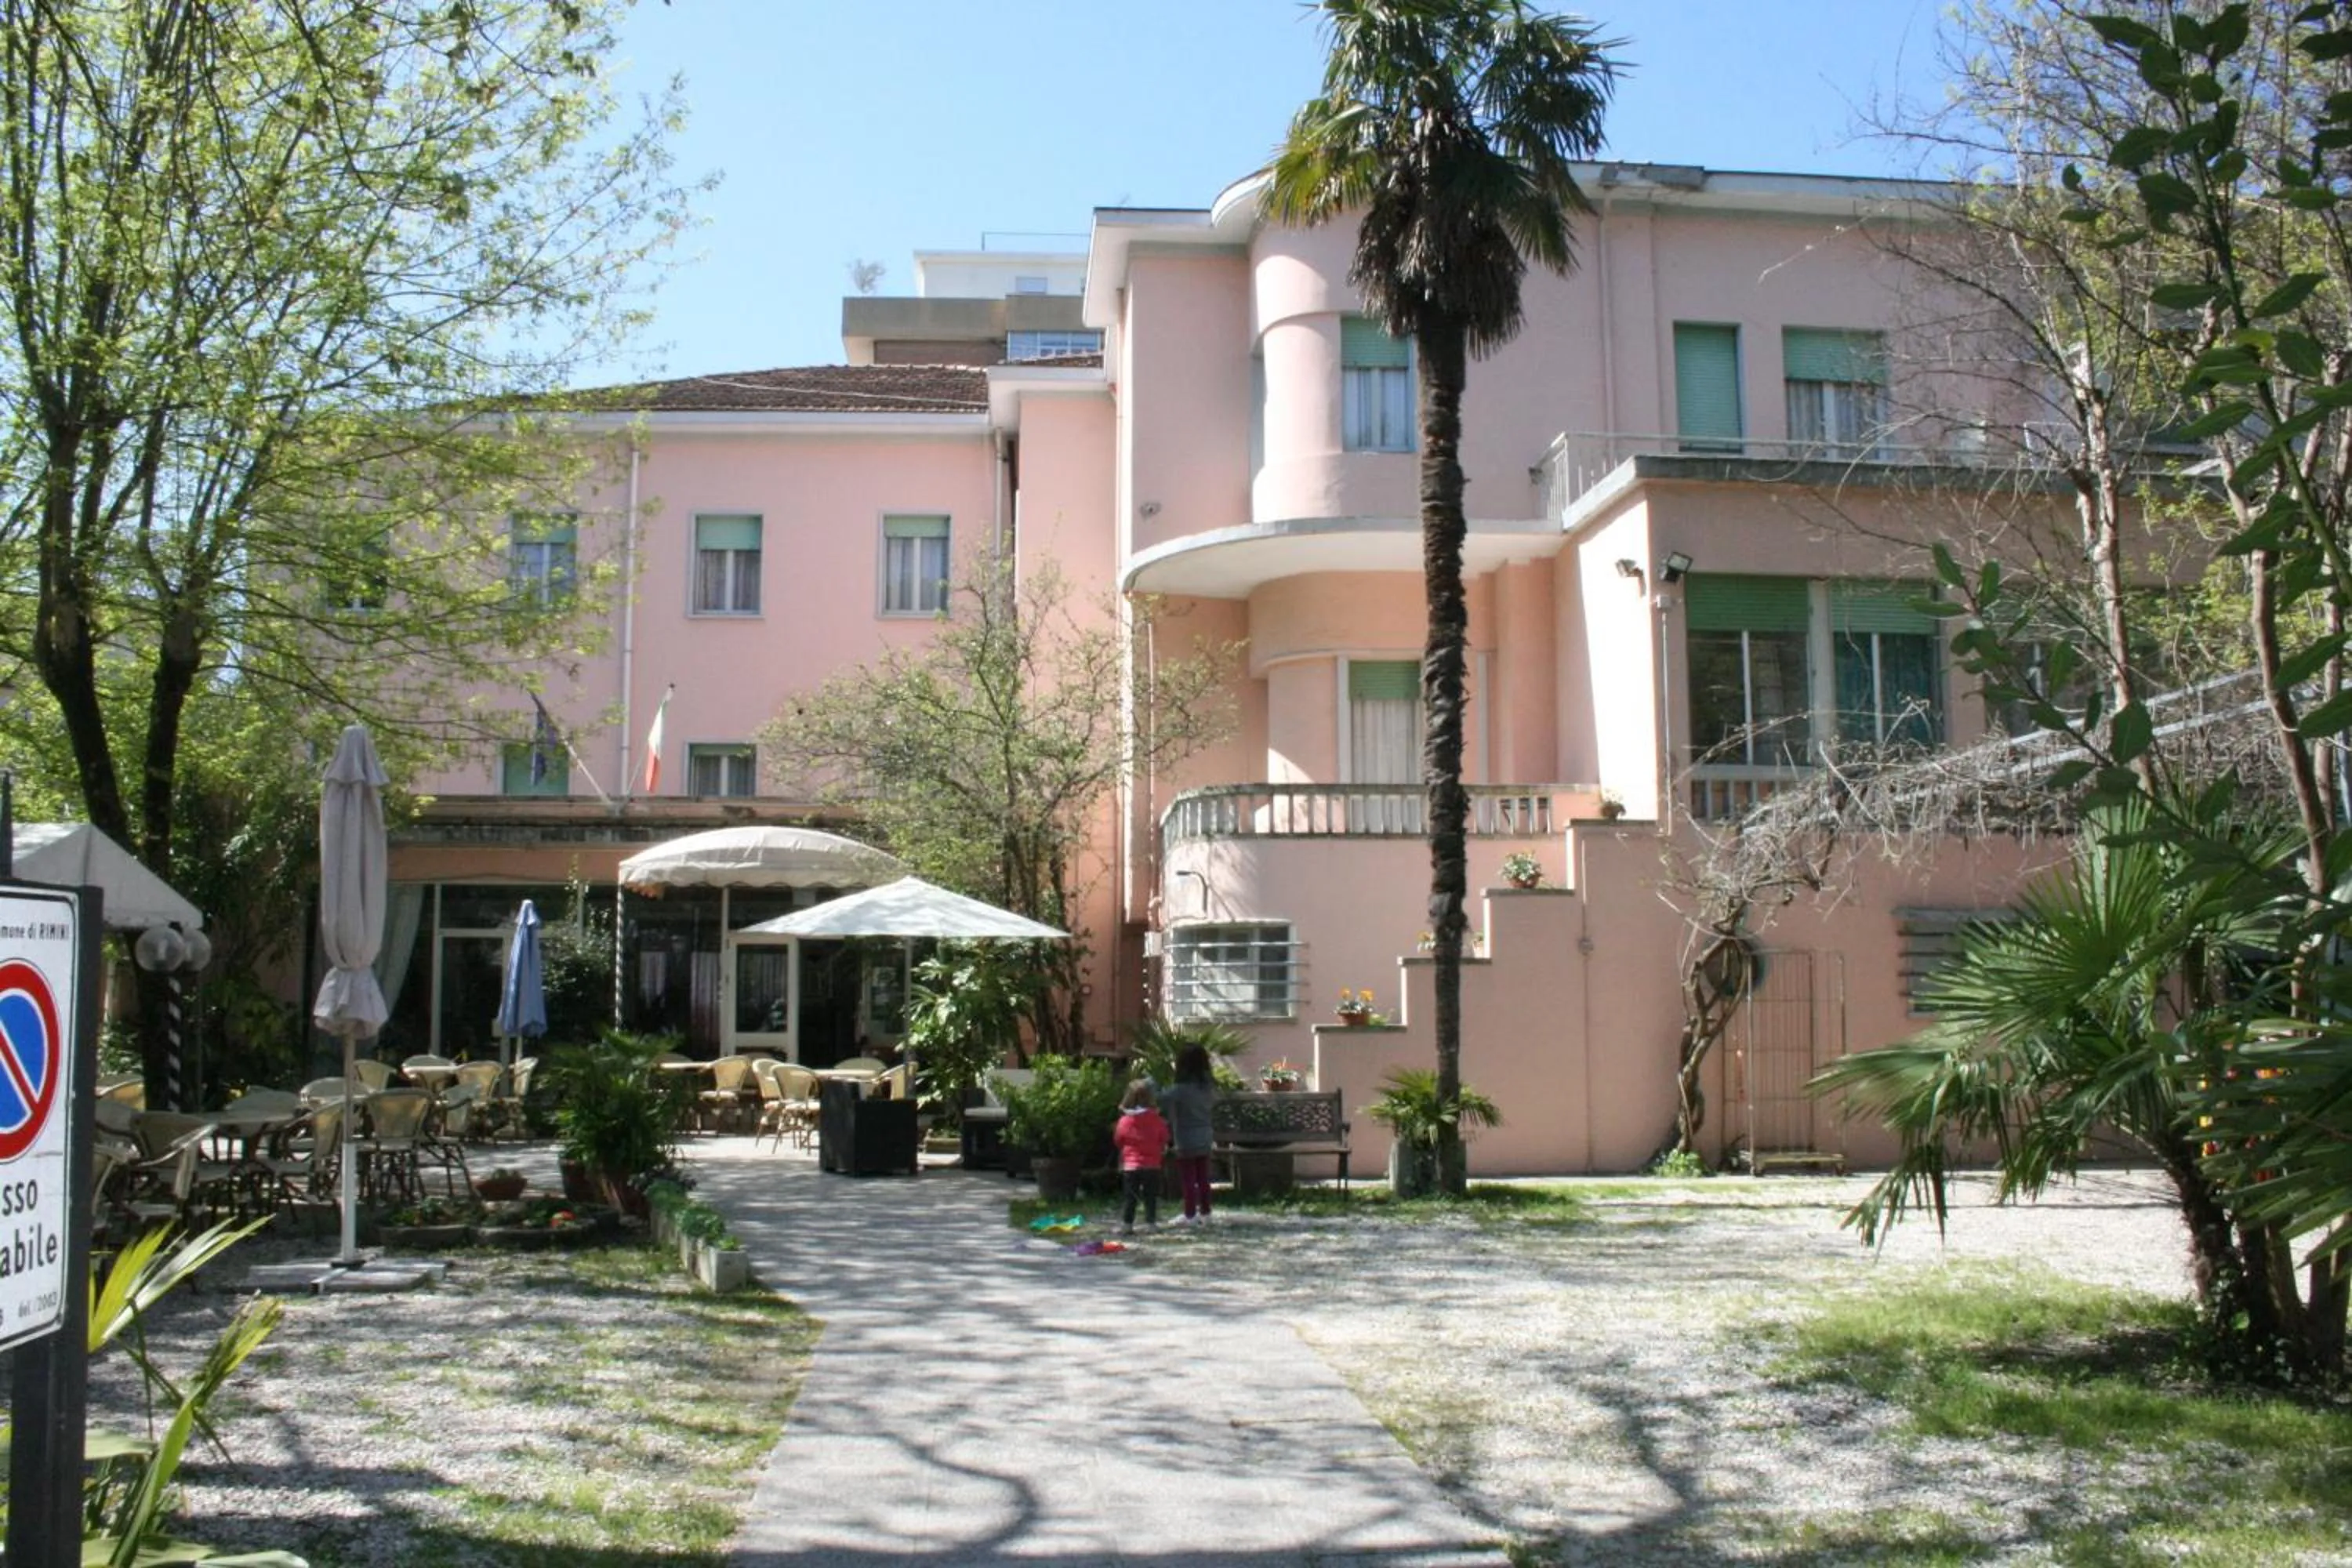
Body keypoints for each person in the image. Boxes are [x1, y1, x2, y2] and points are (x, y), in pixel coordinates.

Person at [1157, 1043, 1217, 1225]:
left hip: (1185, 1138)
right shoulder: (1208, 1088)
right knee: (1203, 1178)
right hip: (1206, 1135)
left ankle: (1190, 1213)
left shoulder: (1180, 1090)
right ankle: (1206, 1212)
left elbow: (1161, 1099)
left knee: (1188, 1178)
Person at [1112, 1078, 1171, 1235]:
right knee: (1150, 1196)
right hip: (1152, 1164)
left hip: (1131, 1165)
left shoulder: (1125, 1121)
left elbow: (1119, 1140)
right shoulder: (1156, 1120)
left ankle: (1127, 1224)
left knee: (1130, 1197)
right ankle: (1151, 1223)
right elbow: (1164, 1137)